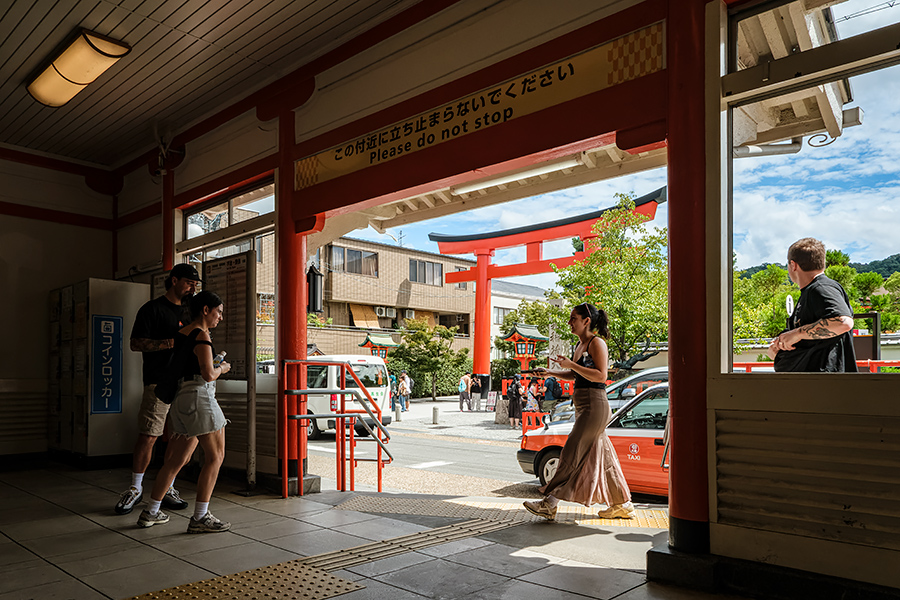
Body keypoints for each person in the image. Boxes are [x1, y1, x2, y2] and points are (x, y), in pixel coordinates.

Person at [523, 302, 634, 521]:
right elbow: (577, 375)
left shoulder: (596, 342)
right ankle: (623, 504)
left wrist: (571, 365)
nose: (569, 322)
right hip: (586, 406)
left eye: (574, 318)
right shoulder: (580, 344)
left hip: (595, 406)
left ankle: (549, 503)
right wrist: (549, 373)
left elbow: (601, 376)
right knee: (605, 458)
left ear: (587, 321)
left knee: (571, 452)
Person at [137, 291, 232, 533]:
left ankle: (151, 511)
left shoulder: (181, 333)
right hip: (199, 397)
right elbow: (208, 373)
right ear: (205, 310)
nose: (220, 317)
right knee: (215, 457)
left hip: (180, 401)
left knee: (176, 460)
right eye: (218, 312)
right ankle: (200, 517)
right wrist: (222, 367)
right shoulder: (202, 335)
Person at [115, 264, 200, 515]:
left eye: (195, 284)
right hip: (158, 382)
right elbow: (135, 343)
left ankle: (168, 487)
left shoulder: (190, 311)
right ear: (173, 281)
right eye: (188, 282)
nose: (193, 287)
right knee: (149, 435)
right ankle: (135, 487)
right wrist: (172, 343)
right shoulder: (152, 309)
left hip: (185, 383)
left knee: (177, 436)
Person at [767, 238, 857, 372]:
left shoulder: (821, 287)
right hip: (813, 385)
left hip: (825, 387)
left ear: (793, 265)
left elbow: (843, 322)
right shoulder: (811, 291)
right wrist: (781, 347)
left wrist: (798, 333)